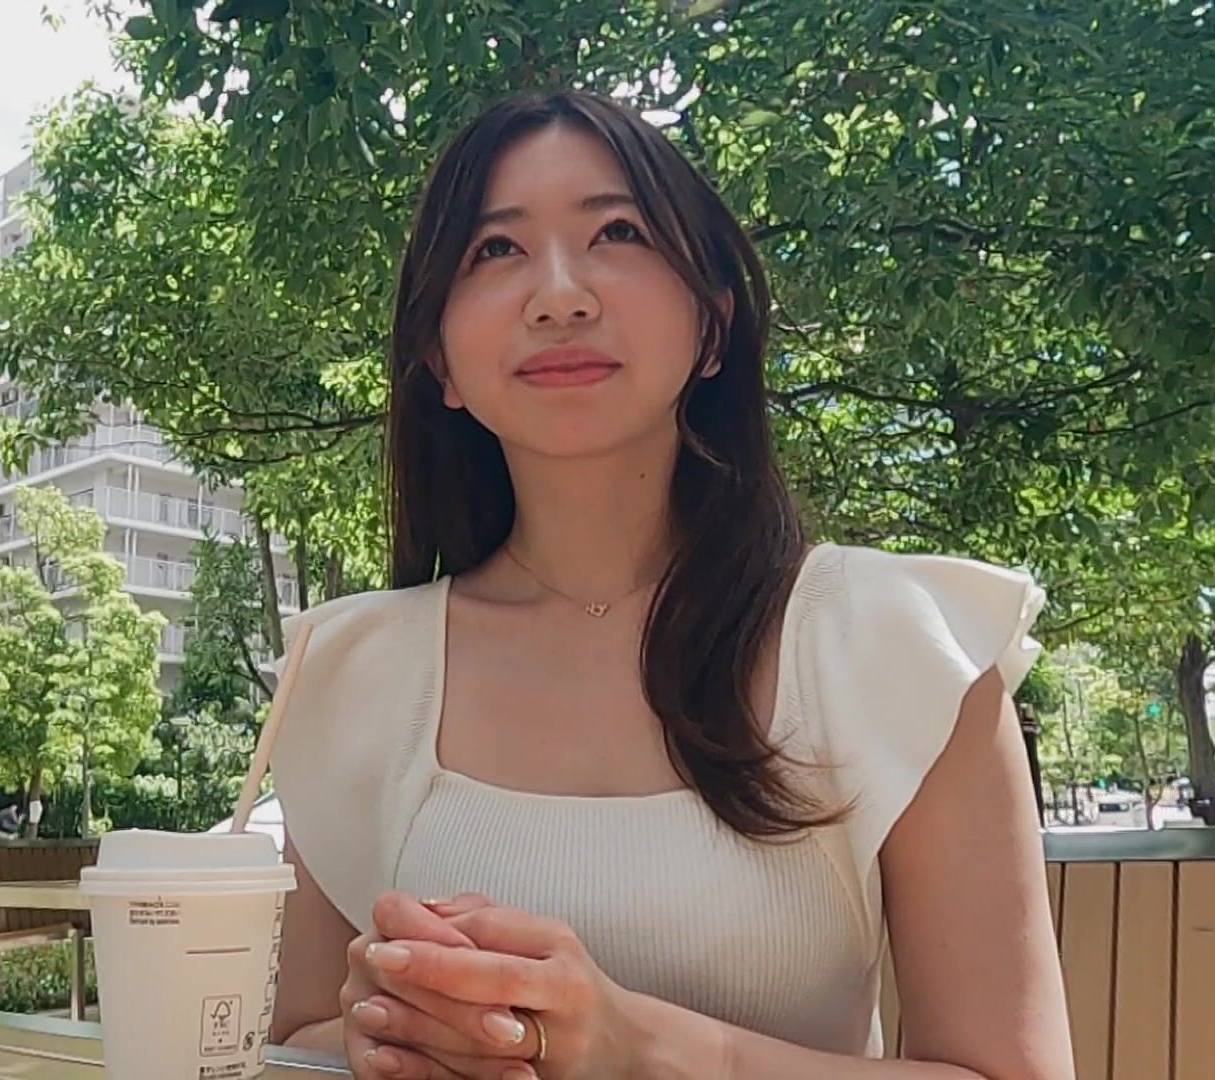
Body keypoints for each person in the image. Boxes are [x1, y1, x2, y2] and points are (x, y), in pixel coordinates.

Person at [268, 91, 1074, 1078]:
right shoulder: (348, 673)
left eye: (618, 232)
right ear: (438, 357)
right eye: (495, 249)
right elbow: (293, 1042)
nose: (559, 296)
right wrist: (380, 1037)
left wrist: (634, 1046)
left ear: (713, 326)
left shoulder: (898, 646)